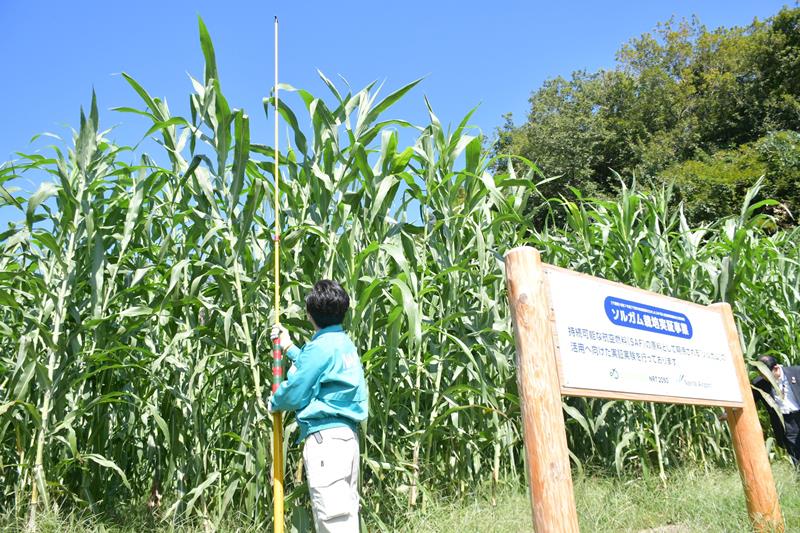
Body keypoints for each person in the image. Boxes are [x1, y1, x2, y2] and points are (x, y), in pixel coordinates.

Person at [269, 280, 368, 533]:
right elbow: (317, 365)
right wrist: (289, 347)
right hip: (347, 440)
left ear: (310, 314)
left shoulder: (320, 347)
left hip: (327, 443)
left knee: (332, 522)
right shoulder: (343, 343)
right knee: (345, 519)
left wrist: (275, 401)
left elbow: (295, 393)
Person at [751, 355, 800, 467]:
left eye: (766, 374)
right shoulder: (759, 383)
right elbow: (749, 401)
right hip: (786, 422)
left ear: (776, 368)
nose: (764, 377)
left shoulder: (796, 372)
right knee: (795, 455)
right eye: (761, 374)